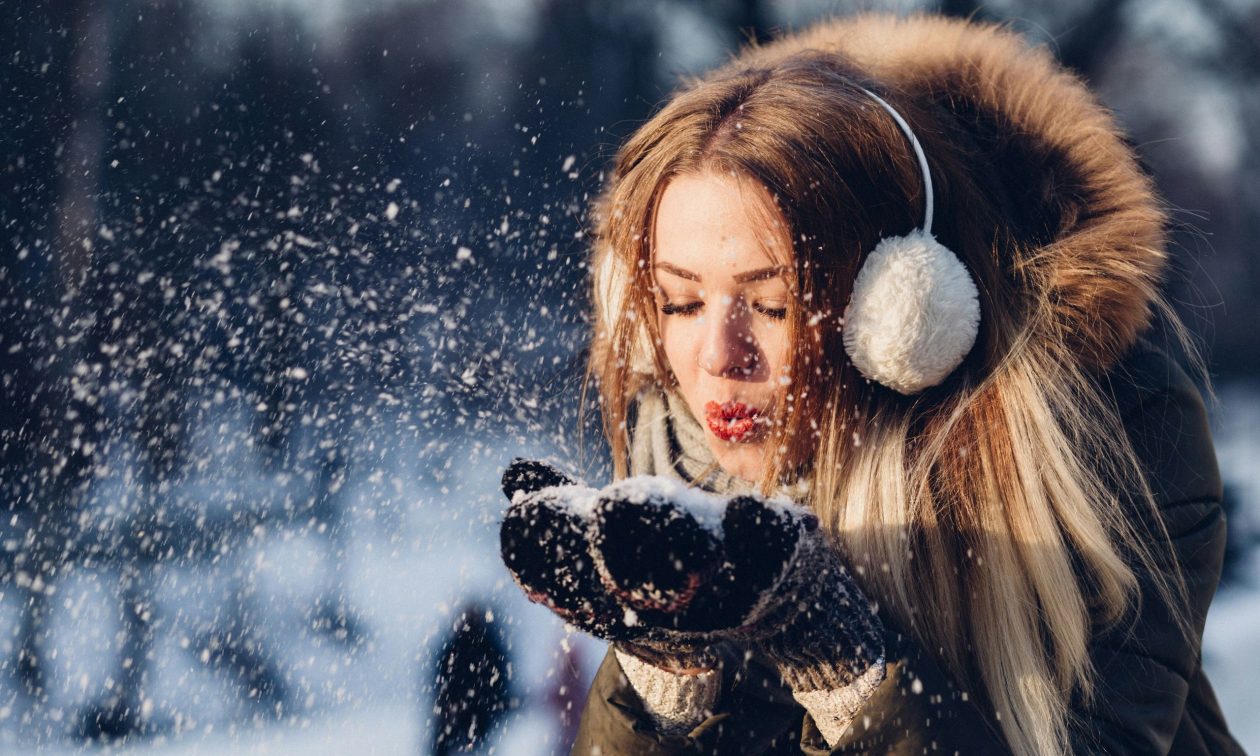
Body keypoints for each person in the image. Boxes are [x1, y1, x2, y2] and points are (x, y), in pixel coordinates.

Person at [498, 13, 1246, 755]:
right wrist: (666, 676)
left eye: (772, 304)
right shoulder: (678, 446)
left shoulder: (1113, 435)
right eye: (682, 302)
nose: (720, 356)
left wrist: (845, 666)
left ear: (902, 310)